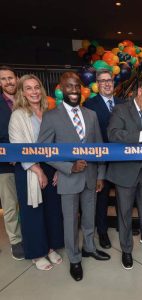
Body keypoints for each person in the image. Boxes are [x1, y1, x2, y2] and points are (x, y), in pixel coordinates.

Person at [38, 72, 110, 281]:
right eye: (69, 87)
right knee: (70, 222)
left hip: (91, 177)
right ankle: (75, 258)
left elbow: (100, 148)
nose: (74, 91)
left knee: (89, 217)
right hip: (68, 178)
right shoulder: (51, 116)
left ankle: (89, 247)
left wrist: (101, 174)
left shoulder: (91, 115)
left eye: (77, 86)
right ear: (61, 89)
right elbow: (44, 150)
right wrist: (68, 167)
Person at [106, 78, 142, 270]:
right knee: (124, 212)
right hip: (124, 171)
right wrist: (141, 136)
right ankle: (127, 250)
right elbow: (113, 135)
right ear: (139, 91)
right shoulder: (121, 109)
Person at [8, 74, 64, 270]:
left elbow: (59, 143)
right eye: (29, 88)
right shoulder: (18, 115)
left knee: (52, 210)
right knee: (33, 212)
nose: (34, 91)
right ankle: (36, 252)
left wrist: (58, 169)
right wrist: (38, 170)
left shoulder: (50, 111)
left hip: (52, 166)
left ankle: (50, 248)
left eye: (36, 87)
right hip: (29, 169)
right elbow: (17, 146)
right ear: (22, 92)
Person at [83, 69, 124, 249]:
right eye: (102, 81)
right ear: (97, 84)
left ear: (114, 82)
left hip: (121, 159)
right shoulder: (89, 105)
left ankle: (126, 226)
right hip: (101, 160)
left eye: (109, 80)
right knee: (102, 199)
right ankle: (102, 231)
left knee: (124, 195)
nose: (107, 84)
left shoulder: (123, 103)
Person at [0, 66, 24, 260]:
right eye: (4, 79)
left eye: (10, 77)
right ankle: (16, 241)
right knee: (10, 205)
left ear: (16, 79)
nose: (8, 82)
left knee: (28, 202)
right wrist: (11, 153)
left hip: (29, 163)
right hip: (5, 165)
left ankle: (30, 235)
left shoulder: (26, 101)